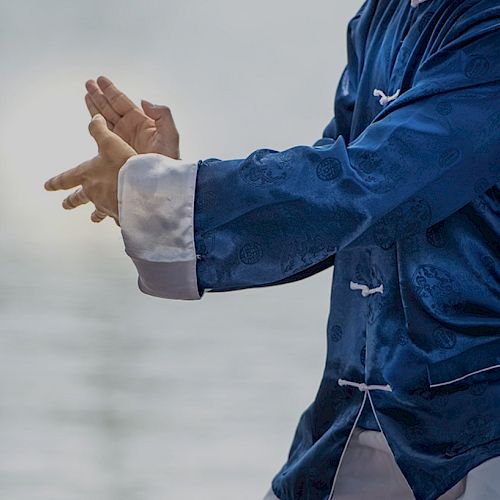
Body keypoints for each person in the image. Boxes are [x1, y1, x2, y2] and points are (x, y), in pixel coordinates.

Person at [45, 0, 500, 498]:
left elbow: (373, 183)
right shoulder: (383, 14)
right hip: (351, 414)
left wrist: (167, 196)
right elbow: (334, 191)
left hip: (479, 427)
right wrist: (164, 185)